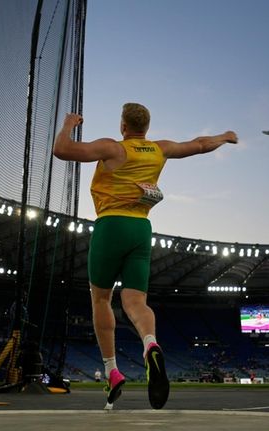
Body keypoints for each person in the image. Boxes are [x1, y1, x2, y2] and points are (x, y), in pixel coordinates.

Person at [53, 103, 237, 409]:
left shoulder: (111, 148)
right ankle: (150, 343)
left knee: (100, 299)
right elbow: (200, 145)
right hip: (141, 229)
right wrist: (225, 136)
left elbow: (62, 150)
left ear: (123, 126)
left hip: (111, 224)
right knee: (136, 302)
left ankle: (112, 371)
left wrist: (68, 124)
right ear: (146, 128)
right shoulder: (159, 149)